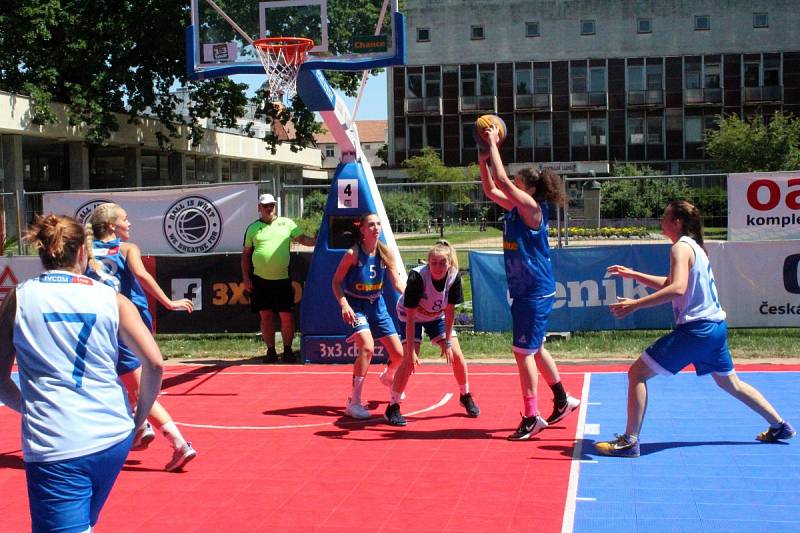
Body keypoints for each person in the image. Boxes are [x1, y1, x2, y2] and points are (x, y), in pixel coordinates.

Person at [0, 214, 164, 533]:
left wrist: (29, 407)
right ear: (81, 253)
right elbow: (155, 364)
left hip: (57, 444)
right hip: (112, 435)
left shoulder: (19, 298)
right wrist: (140, 416)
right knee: (84, 522)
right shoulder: (110, 299)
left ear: (43, 253)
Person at [595, 200, 795, 457]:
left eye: (665, 216)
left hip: (696, 330)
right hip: (715, 328)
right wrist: (634, 274)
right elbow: (672, 283)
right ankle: (780, 426)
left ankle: (630, 440)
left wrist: (635, 305)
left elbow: (676, 289)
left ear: (676, 222)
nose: (661, 221)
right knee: (731, 384)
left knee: (637, 374)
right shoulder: (694, 248)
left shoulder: (680, 247)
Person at [478, 124, 580, 441]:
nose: (513, 185)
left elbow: (504, 182)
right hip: (529, 288)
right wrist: (482, 160)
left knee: (522, 352)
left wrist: (494, 143)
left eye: (519, 183)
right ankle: (562, 399)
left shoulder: (532, 209)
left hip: (534, 290)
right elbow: (491, 190)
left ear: (529, 189)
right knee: (534, 349)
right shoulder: (517, 208)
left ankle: (532, 415)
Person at [88, 202, 197, 471]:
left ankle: (175, 442)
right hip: (126, 324)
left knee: (132, 386)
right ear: (113, 225)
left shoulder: (86, 252)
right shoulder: (126, 249)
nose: (130, 223)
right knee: (125, 384)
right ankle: (144, 429)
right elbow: (141, 274)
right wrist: (169, 303)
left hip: (108, 325)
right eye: (126, 219)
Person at [386, 240, 480, 426]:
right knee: (408, 361)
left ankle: (465, 395)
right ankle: (393, 407)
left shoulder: (453, 277)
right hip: (410, 316)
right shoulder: (417, 278)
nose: (438, 267)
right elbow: (411, 317)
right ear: (428, 263)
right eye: (434, 263)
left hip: (436, 317)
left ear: (450, 264)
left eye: (442, 263)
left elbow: (450, 311)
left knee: (457, 355)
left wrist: (448, 343)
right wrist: (411, 349)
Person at [332, 212, 405, 419]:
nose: (376, 228)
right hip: (357, 305)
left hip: (377, 304)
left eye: (378, 224)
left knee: (399, 355)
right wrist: (344, 304)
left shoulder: (386, 252)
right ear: (362, 230)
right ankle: (354, 402)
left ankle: (388, 376)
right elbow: (336, 282)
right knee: (367, 347)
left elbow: (397, 283)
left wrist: (413, 297)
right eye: (371, 225)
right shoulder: (352, 254)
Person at [242, 193, 316, 363]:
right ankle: (270, 351)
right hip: (260, 280)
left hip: (282, 279)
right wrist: (246, 278)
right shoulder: (252, 228)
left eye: (272, 205)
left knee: (286, 316)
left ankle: (288, 350)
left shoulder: (287, 223)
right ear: (259, 208)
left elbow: (303, 239)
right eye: (266, 206)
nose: (269, 208)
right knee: (265, 316)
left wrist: (317, 240)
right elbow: (245, 255)